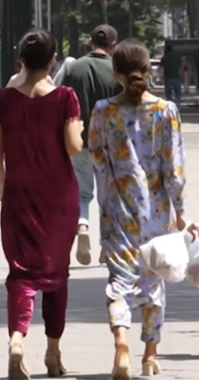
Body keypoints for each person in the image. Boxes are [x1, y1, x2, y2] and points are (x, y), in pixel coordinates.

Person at [88, 38, 198, 380]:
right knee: (153, 283)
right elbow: (174, 168)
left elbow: (94, 154)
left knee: (120, 282)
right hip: (157, 212)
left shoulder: (103, 110)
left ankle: (121, 342)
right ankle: (150, 355)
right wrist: (180, 211)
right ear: (148, 69)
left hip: (117, 211)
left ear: (116, 72)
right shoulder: (166, 111)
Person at [0, 28, 84, 379]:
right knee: (56, 275)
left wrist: (3, 189)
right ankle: (54, 353)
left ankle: (17, 339)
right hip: (59, 200)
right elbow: (74, 147)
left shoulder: (3, 99)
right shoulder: (65, 98)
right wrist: (81, 127)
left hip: (18, 197)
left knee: (21, 274)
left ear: (21, 60)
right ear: (53, 61)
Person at [60, 24, 120, 266]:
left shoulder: (74, 68)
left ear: (90, 43)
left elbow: (61, 101)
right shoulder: (117, 69)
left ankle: (82, 227)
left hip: (79, 141)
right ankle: (107, 247)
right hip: (109, 144)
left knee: (82, 193)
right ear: (113, 46)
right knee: (108, 197)